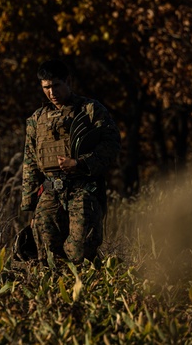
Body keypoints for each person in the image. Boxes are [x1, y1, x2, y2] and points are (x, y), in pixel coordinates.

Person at [20, 59, 121, 264]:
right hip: (49, 193)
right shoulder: (37, 119)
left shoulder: (90, 110)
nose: (51, 92)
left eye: (56, 85)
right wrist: (31, 208)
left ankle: (89, 291)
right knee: (47, 256)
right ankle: (53, 296)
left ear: (68, 81)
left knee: (80, 253)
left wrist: (80, 163)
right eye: (46, 87)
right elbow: (30, 162)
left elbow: (112, 144)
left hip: (82, 190)